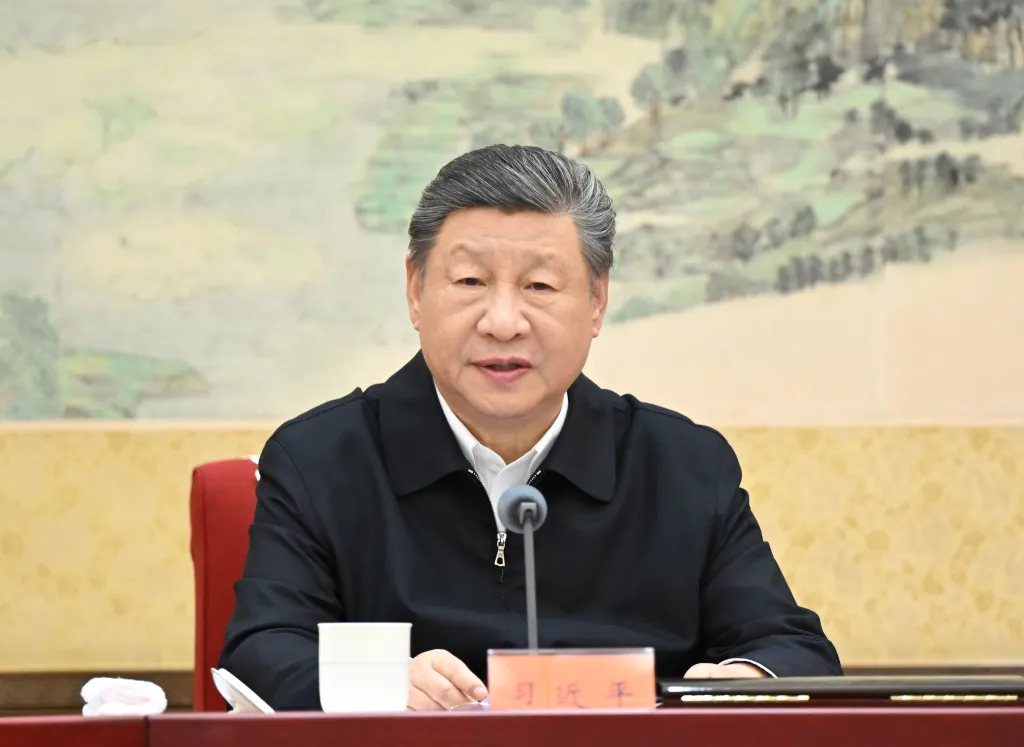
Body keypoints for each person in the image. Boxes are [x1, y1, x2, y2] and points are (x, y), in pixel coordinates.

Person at [219, 144, 842, 712]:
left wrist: (747, 679)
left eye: (540, 286)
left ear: (596, 301)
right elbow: (263, 650)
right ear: (415, 290)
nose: (503, 321)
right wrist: (378, 683)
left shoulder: (683, 465)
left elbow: (790, 648)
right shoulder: (321, 460)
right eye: (470, 282)